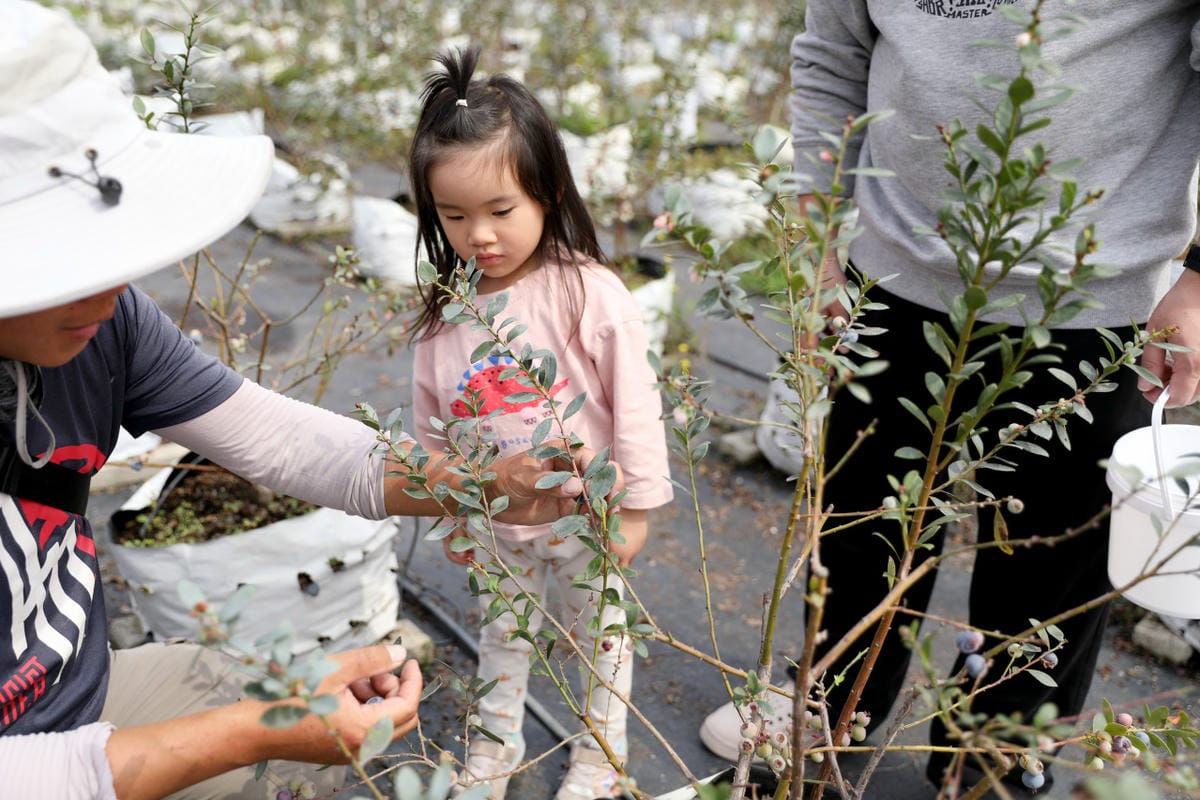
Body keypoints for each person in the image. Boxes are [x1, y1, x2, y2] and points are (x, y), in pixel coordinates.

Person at [0, 5, 622, 799]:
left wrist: (486, 483)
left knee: (229, 700)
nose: (113, 285)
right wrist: (252, 729)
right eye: (62, 257)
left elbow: (280, 442)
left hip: (69, 693)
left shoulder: (104, 325)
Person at [699, 1, 1200, 795]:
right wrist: (816, 236)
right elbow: (833, 52)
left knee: (1054, 566)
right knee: (865, 524)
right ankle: (830, 704)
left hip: (1098, 306)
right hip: (888, 275)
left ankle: (994, 755)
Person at [406, 47, 674, 800]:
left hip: (584, 515)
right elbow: (434, 429)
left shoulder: (586, 292)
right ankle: (494, 747)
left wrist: (640, 505)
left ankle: (601, 756)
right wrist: (453, 510)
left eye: (499, 212)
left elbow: (635, 401)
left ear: (548, 192)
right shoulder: (446, 318)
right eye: (454, 217)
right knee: (502, 637)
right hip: (496, 521)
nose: (478, 236)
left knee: (601, 643)